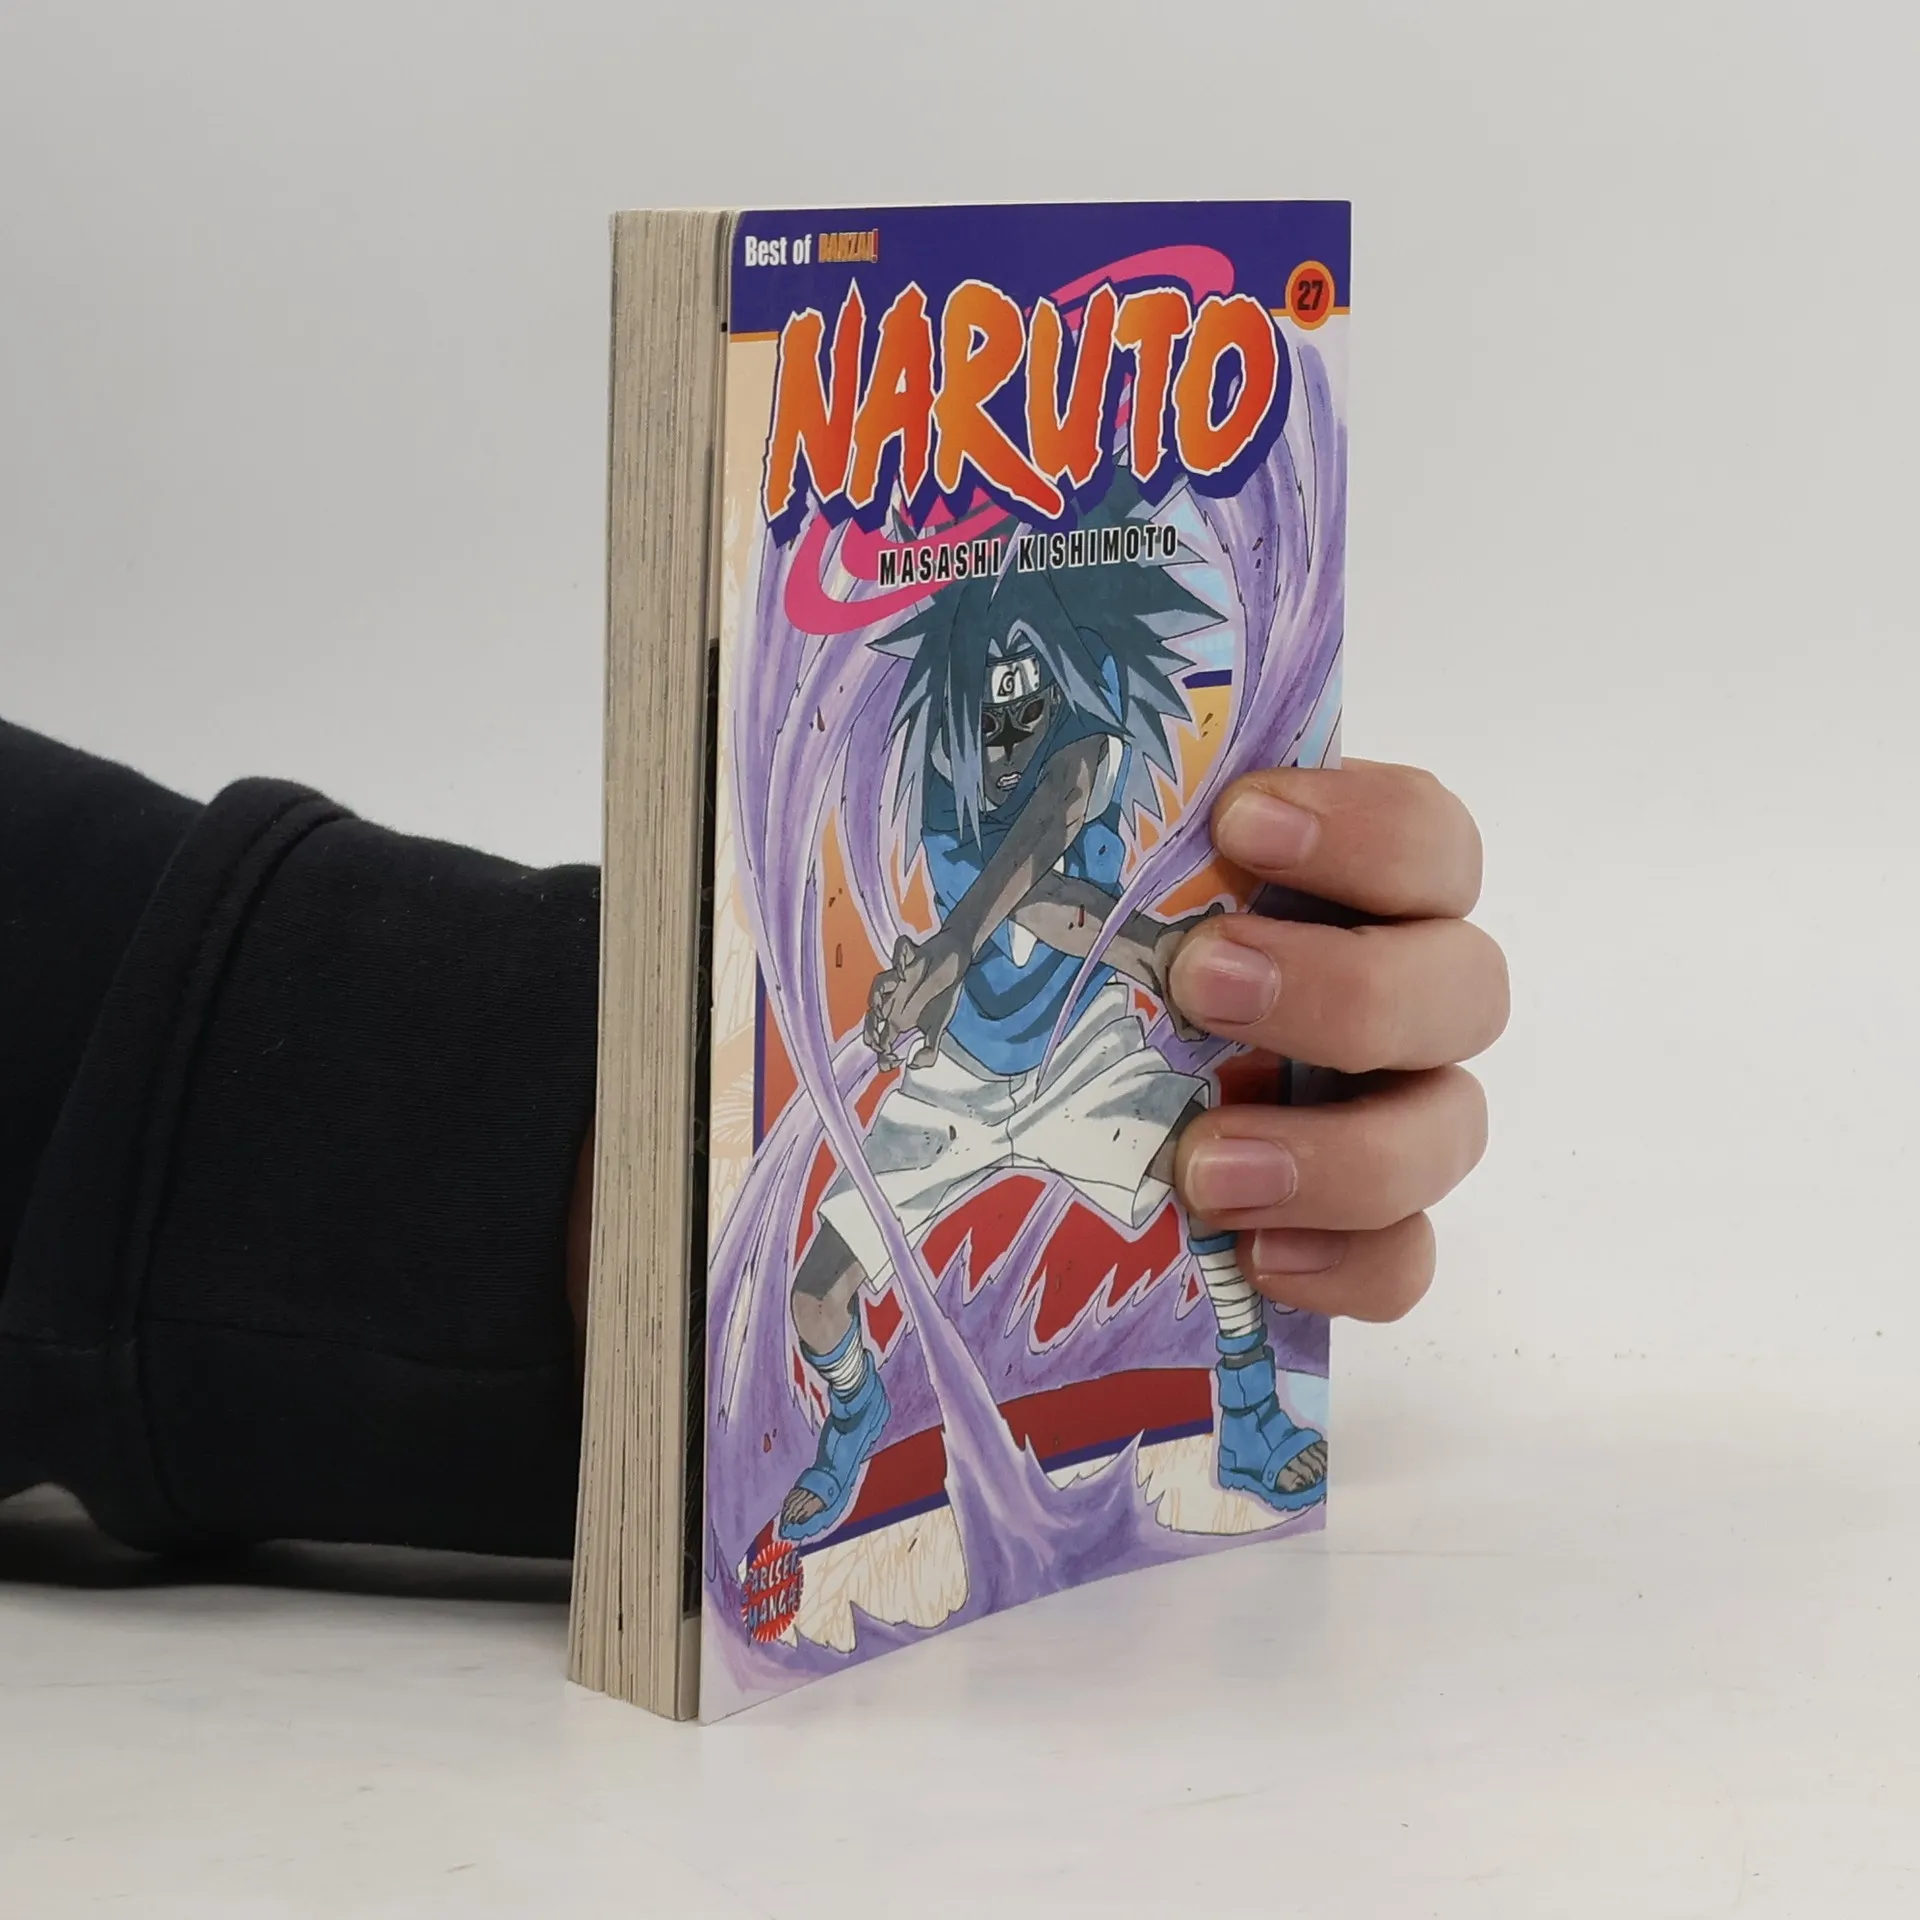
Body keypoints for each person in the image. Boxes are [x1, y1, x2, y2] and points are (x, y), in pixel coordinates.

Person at [0, 714, 1507, 1562]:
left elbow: (1066, 882)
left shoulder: (1077, 791)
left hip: (1070, 1063)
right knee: (817, 1295)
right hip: (947, 1086)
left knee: (1212, 1189)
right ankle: (845, 1428)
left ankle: (1247, 1401)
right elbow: (1005, 900)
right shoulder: (947, 803)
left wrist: (1163, 960)